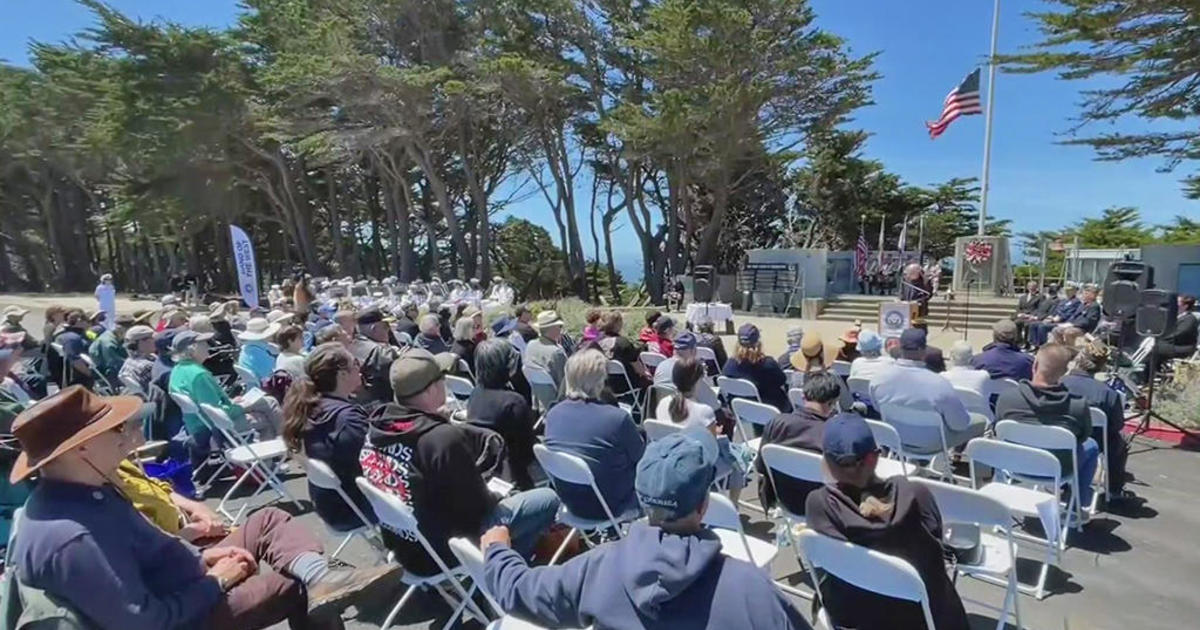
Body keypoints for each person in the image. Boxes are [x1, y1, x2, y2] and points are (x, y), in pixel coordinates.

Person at [8, 386, 397, 630]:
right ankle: (316, 582)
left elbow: (145, 553)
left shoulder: (83, 488)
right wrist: (218, 580)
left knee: (269, 519)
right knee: (292, 585)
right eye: (116, 430)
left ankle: (321, 577)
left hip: (186, 577)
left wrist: (203, 555)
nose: (129, 435)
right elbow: (145, 622)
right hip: (188, 614)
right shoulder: (72, 537)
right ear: (82, 448)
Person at [481, 431, 810, 630]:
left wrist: (497, 549)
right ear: (703, 506)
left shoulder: (595, 568)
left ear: (641, 498)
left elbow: (518, 590)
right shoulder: (751, 588)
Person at [359, 347, 560, 577]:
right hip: (444, 553)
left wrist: (437, 422)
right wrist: (498, 492)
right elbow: (479, 507)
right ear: (432, 388)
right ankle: (503, 577)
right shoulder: (440, 439)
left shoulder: (377, 429)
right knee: (546, 500)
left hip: (406, 548)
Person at [806, 413, 969, 630]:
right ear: (875, 457)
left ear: (826, 460)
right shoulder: (916, 494)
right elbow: (937, 552)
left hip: (854, 617)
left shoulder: (819, 505)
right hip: (922, 618)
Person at [995, 343, 1101, 513]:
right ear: (1064, 372)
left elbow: (997, 430)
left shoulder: (1008, 399)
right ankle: (1075, 508)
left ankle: (998, 503)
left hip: (1014, 464)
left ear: (1034, 366)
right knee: (1092, 446)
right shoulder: (1077, 406)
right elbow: (1083, 436)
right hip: (1058, 468)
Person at [543, 349, 646, 522]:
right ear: (601, 379)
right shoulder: (617, 418)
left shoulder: (553, 414)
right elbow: (642, 459)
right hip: (613, 506)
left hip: (571, 503)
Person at [282, 343, 376, 531]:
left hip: (328, 504)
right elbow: (374, 463)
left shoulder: (310, 408)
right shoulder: (347, 419)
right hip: (352, 511)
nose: (360, 368)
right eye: (355, 363)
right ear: (342, 375)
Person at [870, 329, 986, 451]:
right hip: (931, 444)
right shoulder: (939, 384)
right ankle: (979, 469)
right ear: (923, 351)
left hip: (895, 439)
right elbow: (959, 425)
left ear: (900, 348)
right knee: (981, 421)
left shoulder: (878, 378)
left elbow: (878, 408)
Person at [655, 357, 748, 501]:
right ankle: (733, 506)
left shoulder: (662, 404)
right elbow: (712, 452)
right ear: (698, 381)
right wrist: (715, 432)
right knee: (740, 458)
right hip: (698, 468)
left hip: (672, 462)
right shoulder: (703, 411)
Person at [756, 372, 844, 514]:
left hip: (786, 502)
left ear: (803, 397)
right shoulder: (834, 434)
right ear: (833, 403)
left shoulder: (776, 423)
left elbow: (760, 466)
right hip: (824, 509)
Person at [1061, 340, 1131, 501]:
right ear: (1101, 366)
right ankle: (1114, 489)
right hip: (1092, 440)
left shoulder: (1059, 382)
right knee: (1121, 440)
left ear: (1078, 359)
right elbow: (1117, 425)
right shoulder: (1107, 393)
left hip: (1060, 435)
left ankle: (1063, 480)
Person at [467, 340, 538, 489]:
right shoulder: (514, 402)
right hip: (515, 478)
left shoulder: (475, 394)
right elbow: (527, 453)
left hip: (485, 470)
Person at [723, 324, 791, 412]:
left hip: (741, 411)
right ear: (758, 343)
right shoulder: (768, 364)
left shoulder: (729, 365)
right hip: (769, 412)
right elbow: (782, 380)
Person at [348, 308, 401, 407]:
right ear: (374, 328)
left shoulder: (353, 344)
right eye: (385, 326)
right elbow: (401, 375)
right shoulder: (379, 352)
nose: (388, 330)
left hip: (359, 403)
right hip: (380, 406)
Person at [652, 332, 720, 410]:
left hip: (662, 414)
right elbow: (713, 404)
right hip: (686, 417)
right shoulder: (689, 371)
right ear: (693, 351)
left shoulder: (661, 365)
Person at [597, 310, 651, 392]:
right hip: (625, 385)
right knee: (650, 384)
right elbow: (638, 368)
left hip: (603, 384)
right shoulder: (623, 343)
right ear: (618, 324)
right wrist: (647, 374)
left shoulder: (597, 341)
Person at [524, 310, 569, 391]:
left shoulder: (530, 345)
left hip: (538, 398)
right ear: (553, 328)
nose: (561, 329)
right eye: (559, 326)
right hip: (557, 400)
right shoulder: (556, 352)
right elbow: (565, 384)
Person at [50, 309, 94, 389]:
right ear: (79, 321)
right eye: (86, 320)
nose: (89, 323)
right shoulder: (72, 338)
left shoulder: (63, 334)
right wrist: (92, 375)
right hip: (78, 378)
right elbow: (75, 361)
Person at [89, 314, 134, 387]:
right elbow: (113, 362)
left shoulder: (118, 337)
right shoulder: (108, 342)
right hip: (109, 373)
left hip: (118, 370)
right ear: (120, 328)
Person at [1154, 294, 1198, 363]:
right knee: (1152, 346)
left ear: (1185, 306)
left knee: (1156, 348)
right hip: (1171, 344)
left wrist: (1159, 337)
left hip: (1183, 348)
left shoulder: (1190, 319)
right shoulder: (1174, 317)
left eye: (1177, 303)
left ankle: (1150, 371)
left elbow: (1178, 333)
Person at [236, 317, 282, 383]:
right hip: (265, 386)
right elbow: (272, 375)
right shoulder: (257, 353)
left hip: (253, 386)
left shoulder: (247, 348)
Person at [117, 325, 157, 394]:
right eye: (153, 338)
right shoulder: (147, 366)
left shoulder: (129, 362)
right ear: (142, 342)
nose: (156, 341)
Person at [1014, 281, 1044, 348]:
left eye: (1033, 287)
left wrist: (1031, 316)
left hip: (1031, 317)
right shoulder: (1023, 297)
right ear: (1027, 287)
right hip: (1022, 316)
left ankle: (1027, 343)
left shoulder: (1040, 297)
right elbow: (1019, 307)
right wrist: (1019, 313)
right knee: (1016, 323)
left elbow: (1040, 308)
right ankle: (1019, 341)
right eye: (1030, 286)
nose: (1031, 288)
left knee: (1027, 325)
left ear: (1036, 288)